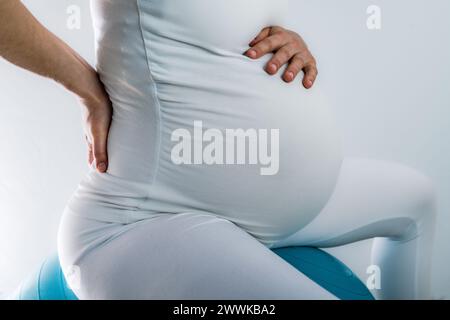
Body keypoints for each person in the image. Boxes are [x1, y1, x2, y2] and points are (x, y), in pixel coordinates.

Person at [0, 0, 437, 299]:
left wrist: (286, 38)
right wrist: (85, 87)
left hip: (278, 201)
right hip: (144, 221)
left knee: (418, 202)